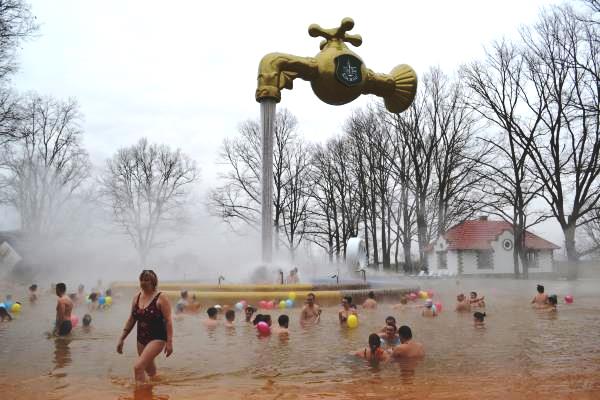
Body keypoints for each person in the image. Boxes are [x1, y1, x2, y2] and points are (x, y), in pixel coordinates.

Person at [116, 270, 174, 384]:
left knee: (138, 367)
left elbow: (168, 321)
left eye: (146, 280)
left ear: (153, 282)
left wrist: (169, 342)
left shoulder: (161, 297)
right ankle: (158, 387)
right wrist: (122, 338)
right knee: (151, 372)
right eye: (141, 279)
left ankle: (141, 395)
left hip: (157, 337)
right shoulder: (136, 297)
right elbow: (131, 319)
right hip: (141, 338)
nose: (143, 282)